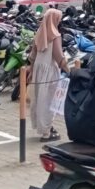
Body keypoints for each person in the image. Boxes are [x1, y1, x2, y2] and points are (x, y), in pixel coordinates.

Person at [28, 8, 69, 142]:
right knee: (48, 102)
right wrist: (70, 71)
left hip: (38, 70)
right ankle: (47, 131)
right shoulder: (55, 35)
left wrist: (32, 71)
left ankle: (44, 128)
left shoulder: (39, 33)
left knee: (39, 100)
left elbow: (32, 56)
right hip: (50, 72)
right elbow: (59, 57)